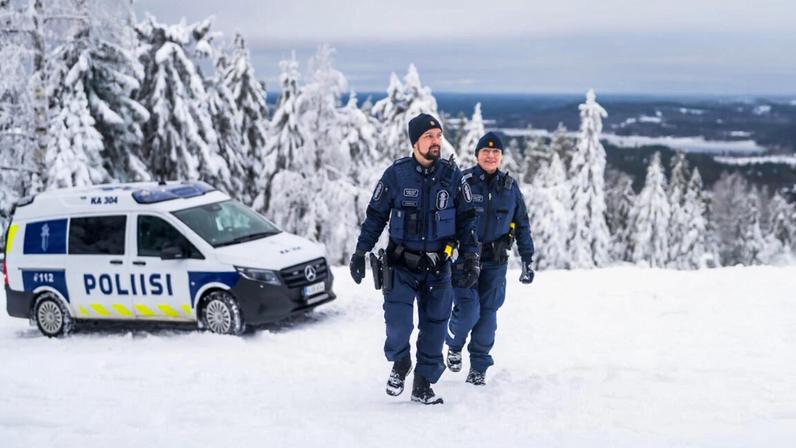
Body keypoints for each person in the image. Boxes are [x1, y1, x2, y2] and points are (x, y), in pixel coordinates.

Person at [349, 113, 480, 405]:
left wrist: (471, 256)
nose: (436, 142)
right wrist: (360, 251)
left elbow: (467, 220)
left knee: (435, 328)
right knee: (398, 327)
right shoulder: (396, 175)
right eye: (428, 137)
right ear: (414, 142)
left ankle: (423, 384)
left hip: (439, 267)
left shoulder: (452, 176)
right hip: (401, 267)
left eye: (438, 136)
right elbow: (376, 216)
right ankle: (401, 361)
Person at [445, 131, 535, 386]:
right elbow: (446, 219)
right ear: (477, 155)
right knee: (468, 310)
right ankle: (454, 345)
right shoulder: (463, 181)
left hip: (496, 262)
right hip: (465, 259)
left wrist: (527, 259)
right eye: (486, 151)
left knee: (487, 316)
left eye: (496, 152)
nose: (491, 156)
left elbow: (522, 224)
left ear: (501, 156)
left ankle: (478, 367)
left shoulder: (510, 187)